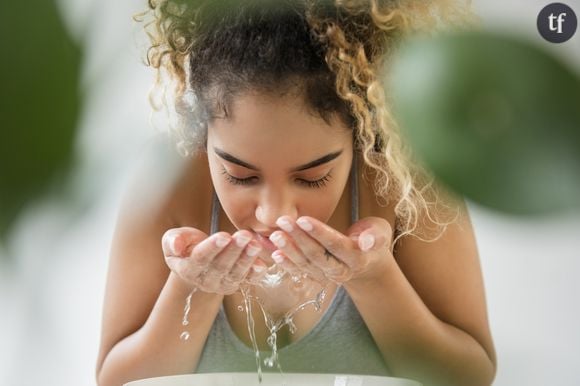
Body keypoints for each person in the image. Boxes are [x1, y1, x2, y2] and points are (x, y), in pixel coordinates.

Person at [96, 1, 496, 385]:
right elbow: (116, 382)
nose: (274, 214)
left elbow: (468, 377)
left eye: (312, 177)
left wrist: (372, 278)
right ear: (203, 135)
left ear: (359, 131)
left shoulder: (405, 182)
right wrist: (194, 289)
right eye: (239, 175)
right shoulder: (166, 188)